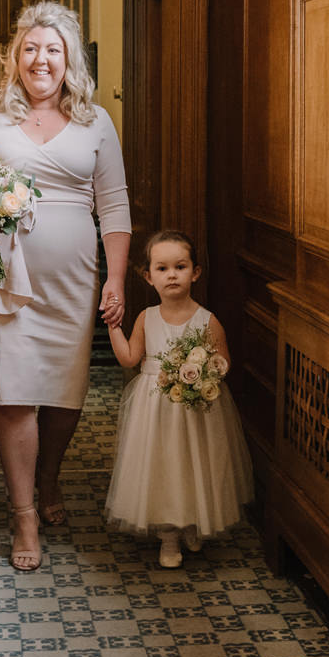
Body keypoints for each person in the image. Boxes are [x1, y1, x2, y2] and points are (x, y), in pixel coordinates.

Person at [0, 0, 130, 571]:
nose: (40, 59)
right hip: (1, 278)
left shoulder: (96, 122)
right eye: (30, 48)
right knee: (14, 392)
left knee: (65, 393)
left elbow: (114, 206)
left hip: (74, 280)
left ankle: (48, 476)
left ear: (69, 58)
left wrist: (116, 278)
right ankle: (24, 514)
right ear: (15, 57)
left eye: (52, 49)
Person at [102, 229, 254, 568]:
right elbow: (129, 358)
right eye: (162, 268)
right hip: (155, 409)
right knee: (163, 466)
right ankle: (169, 534)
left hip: (195, 410)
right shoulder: (146, 318)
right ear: (148, 276)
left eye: (180, 267)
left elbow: (222, 363)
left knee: (192, 464)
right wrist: (113, 327)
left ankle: (191, 521)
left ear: (195, 273)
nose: (172, 275)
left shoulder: (207, 320)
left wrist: (201, 373)